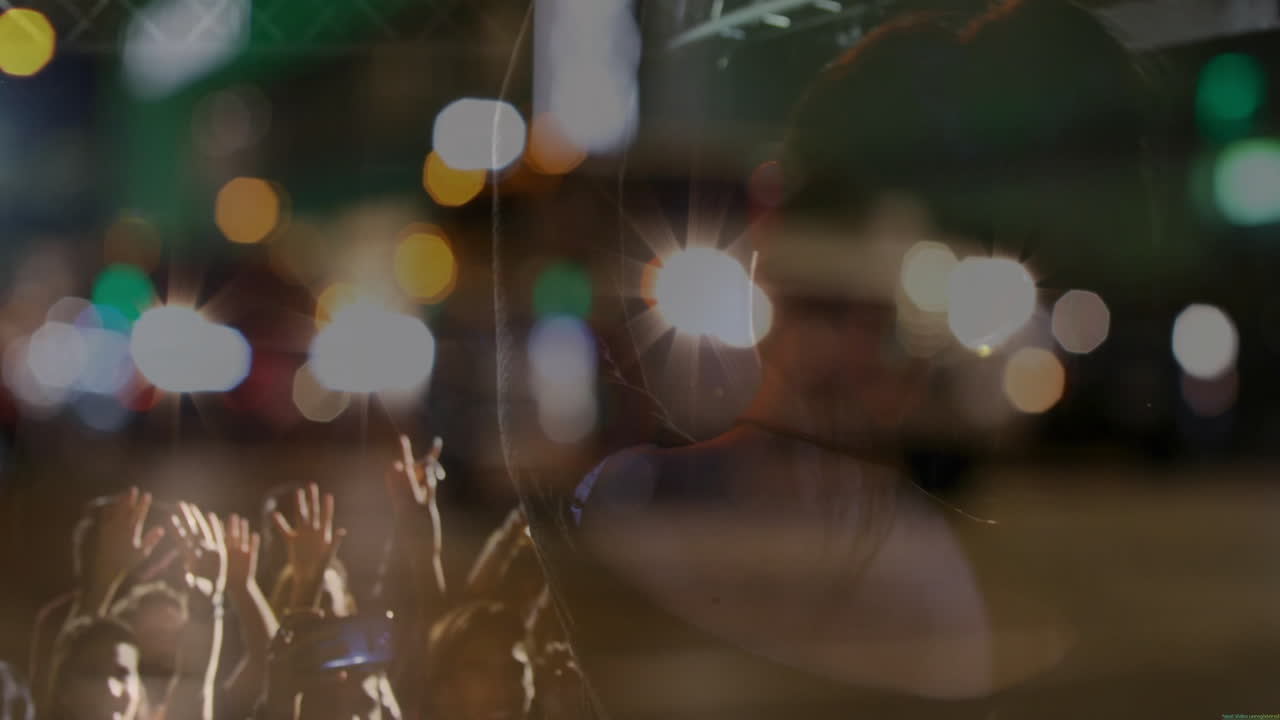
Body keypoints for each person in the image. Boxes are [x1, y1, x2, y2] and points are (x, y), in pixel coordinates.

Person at [514, 1, 1178, 718]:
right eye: (817, 316)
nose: (836, 349)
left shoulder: (918, 567)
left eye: (864, 324)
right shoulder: (626, 513)